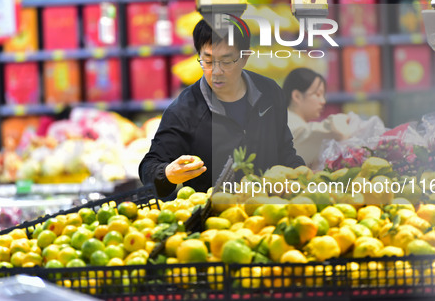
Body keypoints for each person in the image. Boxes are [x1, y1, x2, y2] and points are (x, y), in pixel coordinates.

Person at [139, 19, 305, 198]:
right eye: (208, 61)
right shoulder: (184, 110)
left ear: (244, 57)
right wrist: (166, 173)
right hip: (213, 219)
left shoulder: (270, 93)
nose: (217, 71)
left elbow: (284, 149)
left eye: (226, 61)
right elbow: (149, 166)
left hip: (270, 212)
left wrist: (302, 174)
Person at [283, 68, 353, 169]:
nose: (323, 101)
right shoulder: (293, 127)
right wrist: (347, 120)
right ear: (297, 96)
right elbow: (335, 131)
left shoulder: (287, 120)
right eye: (318, 94)